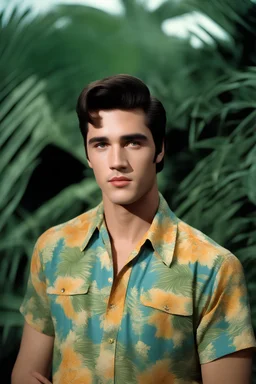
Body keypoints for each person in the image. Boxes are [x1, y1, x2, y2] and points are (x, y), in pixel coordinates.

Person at [12, 74, 255, 384]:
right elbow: (25, 373)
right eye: (101, 144)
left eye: (133, 142)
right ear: (88, 154)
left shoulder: (213, 268)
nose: (117, 161)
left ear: (159, 149)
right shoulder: (53, 248)